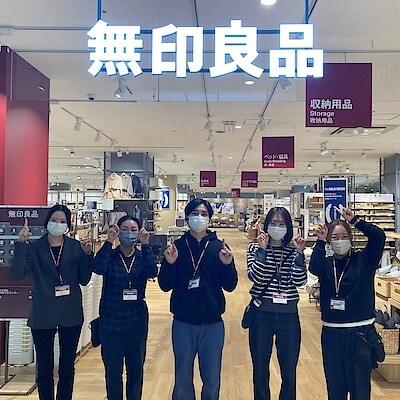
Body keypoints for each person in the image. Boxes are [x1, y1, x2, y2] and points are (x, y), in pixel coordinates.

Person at [158, 198, 238, 400]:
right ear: (187, 218)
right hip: (183, 322)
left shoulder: (219, 247)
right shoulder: (177, 247)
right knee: (182, 378)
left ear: (209, 219)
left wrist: (227, 265)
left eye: (203, 214)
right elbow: (165, 285)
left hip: (212, 323)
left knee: (212, 380)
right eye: (195, 214)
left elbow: (230, 286)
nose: (199, 218)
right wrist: (169, 264)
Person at [11, 204, 93, 400]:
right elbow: (18, 273)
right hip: (43, 313)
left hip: (70, 312)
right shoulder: (35, 247)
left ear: (68, 225)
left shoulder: (75, 247)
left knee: (67, 367)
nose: (58, 224)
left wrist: (87, 255)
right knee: (44, 367)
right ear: (47, 222)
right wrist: (21, 244)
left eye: (63, 221)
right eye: (54, 220)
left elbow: (84, 279)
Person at [309, 207, 385, 400]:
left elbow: (378, 237)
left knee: (360, 391)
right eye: (335, 237)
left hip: (360, 334)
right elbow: (314, 267)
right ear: (329, 241)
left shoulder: (364, 260)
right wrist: (320, 241)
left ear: (351, 239)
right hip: (332, 334)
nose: (340, 241)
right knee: (335, 390)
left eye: (344, 236)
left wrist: (356, 221)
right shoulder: (327, 264)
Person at [92, 216, 157, 400]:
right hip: (111, 319)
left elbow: (152, 271)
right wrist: (108, 241)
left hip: (136, 319)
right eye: (125, 229)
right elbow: (98, 268)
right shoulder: (111, 256)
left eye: (134, 229)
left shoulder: (141, 256)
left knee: (135, 369)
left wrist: (146, 245)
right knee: (113, 370)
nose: (129, 233)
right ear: (118, 231)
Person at [246, 206, 307, 400]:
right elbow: (256, 277)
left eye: (281, 224)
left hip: (289, 317)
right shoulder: (255, 248)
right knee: (260, 368)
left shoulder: (293, 249)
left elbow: (300, 281)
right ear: (266, 226)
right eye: (273, 223)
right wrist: (263, 252)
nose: (277, 227)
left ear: (288, 227)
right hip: (262, 315)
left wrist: (299, 255)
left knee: (289, 370)